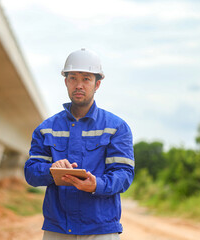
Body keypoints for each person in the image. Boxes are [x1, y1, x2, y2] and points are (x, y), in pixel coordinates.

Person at [24, 48, 135, 240]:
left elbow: (124, 174)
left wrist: (96, 185)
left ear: (97, 84)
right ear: (66, 81)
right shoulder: (46, 129)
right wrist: (51, 169)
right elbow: (31, 172)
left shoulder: (116, 127)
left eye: (86, 79)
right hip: (57, 229)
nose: (79, 85)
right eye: (73, 78)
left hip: (101, 230)